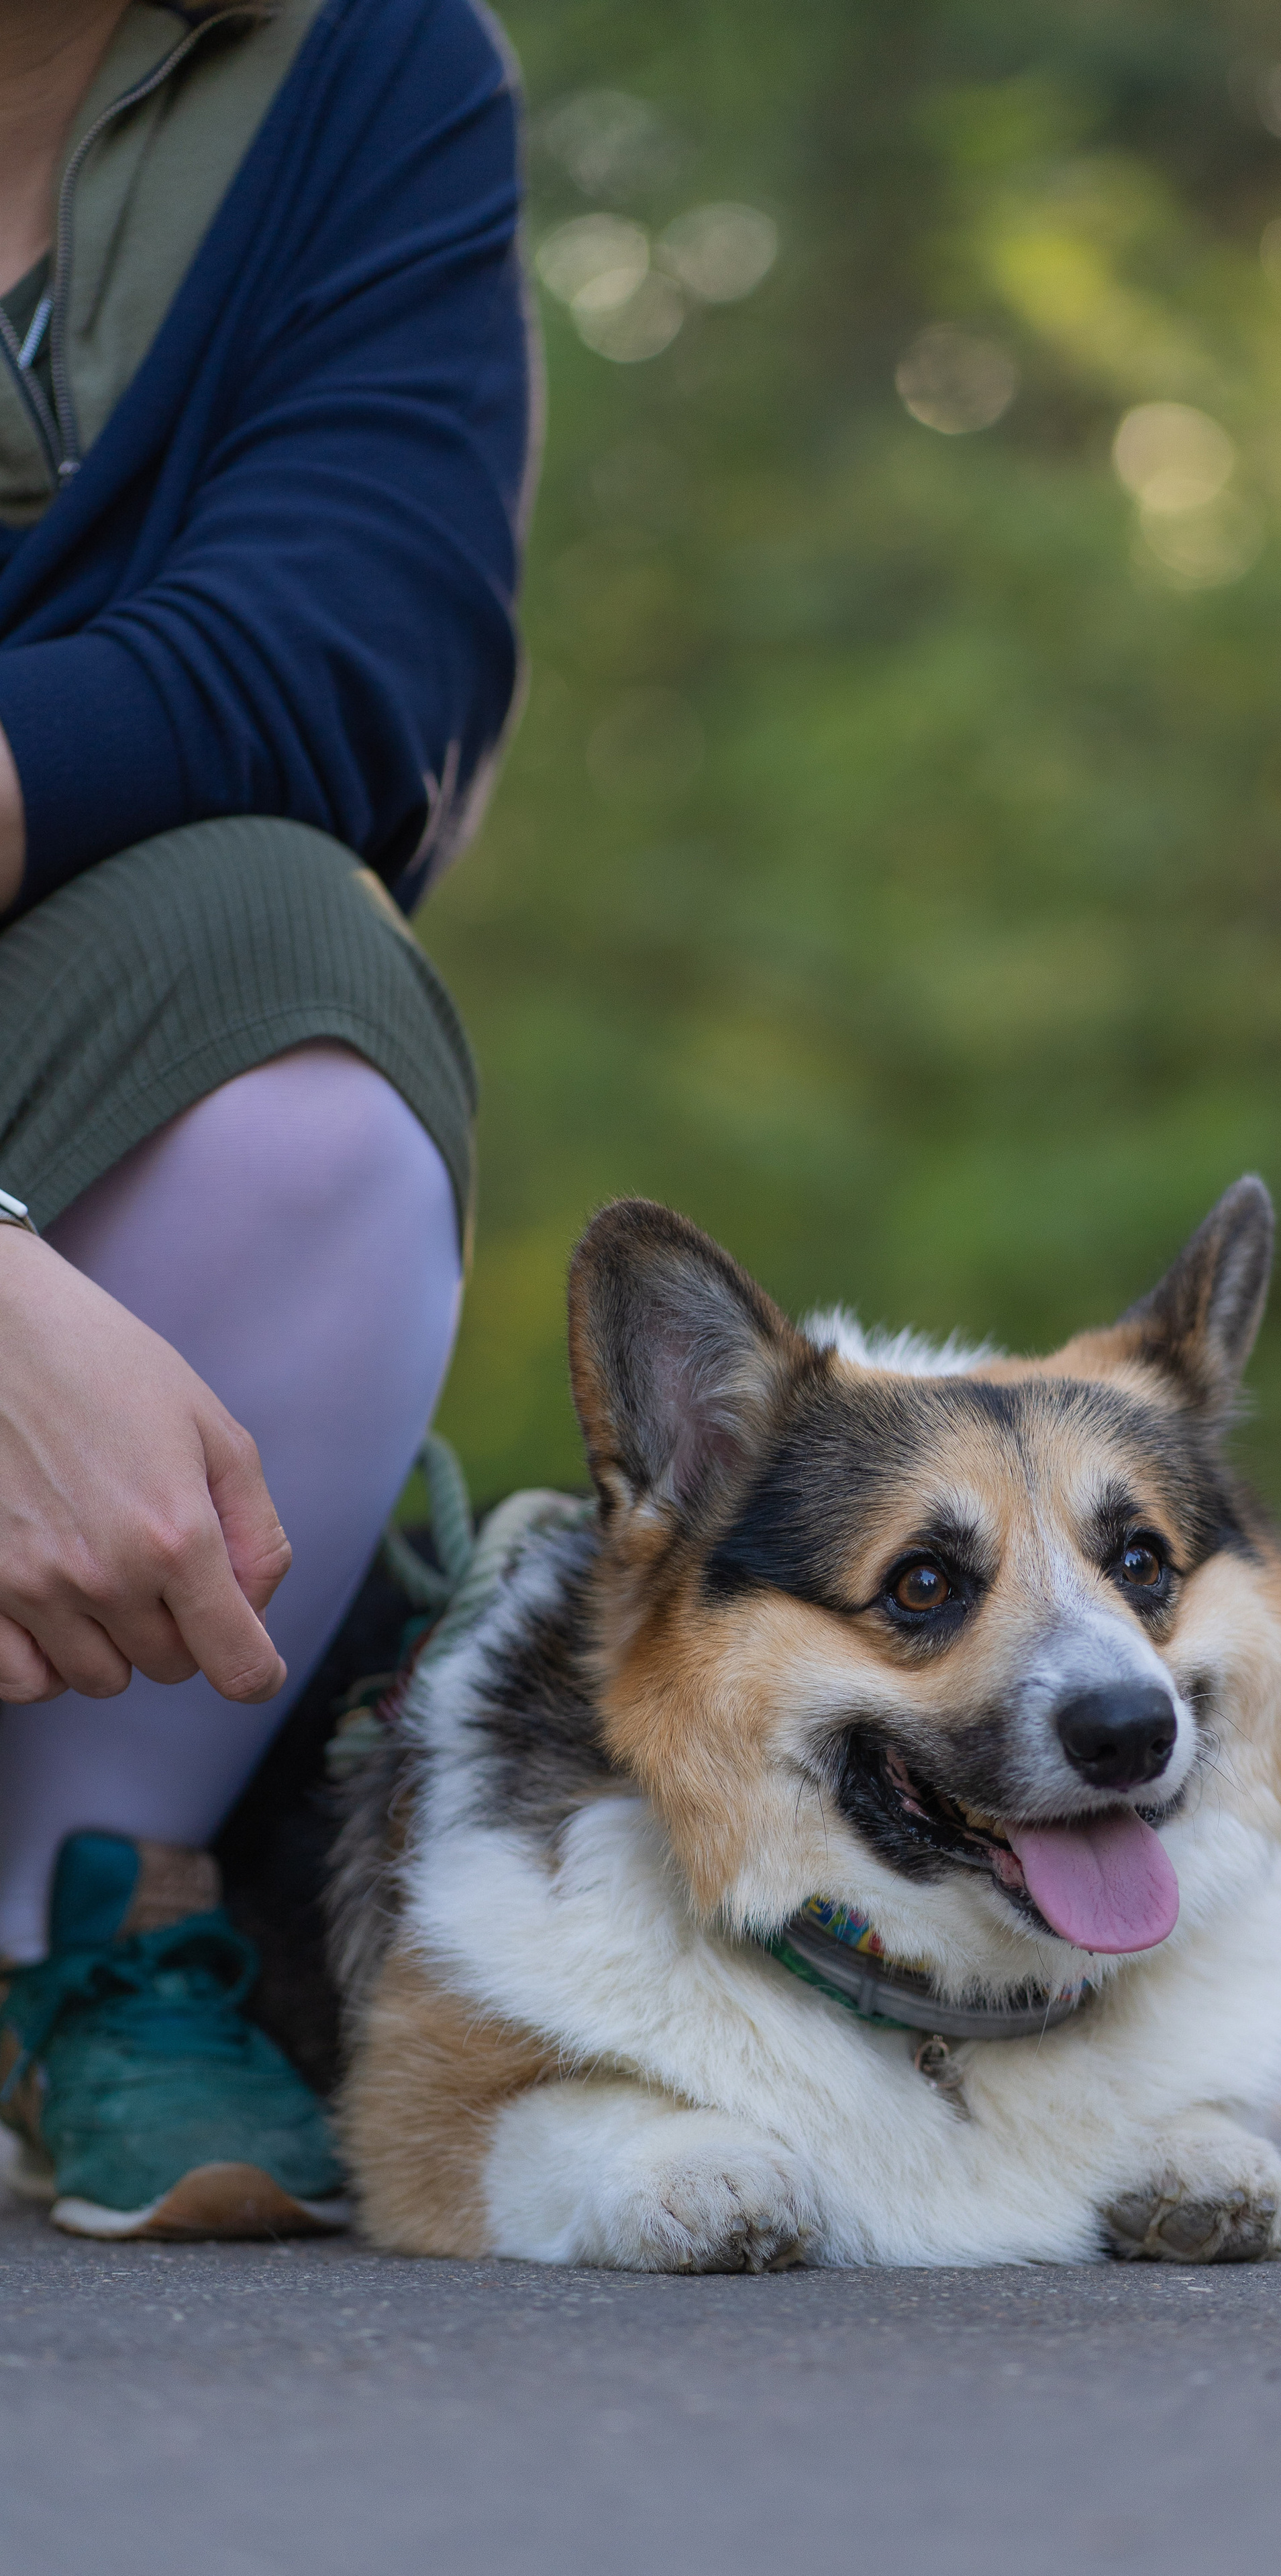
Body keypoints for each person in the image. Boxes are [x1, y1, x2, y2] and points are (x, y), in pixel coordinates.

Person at [0, 0, 535, 2239]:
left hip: (63, 994)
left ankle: (80, 1915)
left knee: (289, 991)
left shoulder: (374, 62)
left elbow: (354, 657)